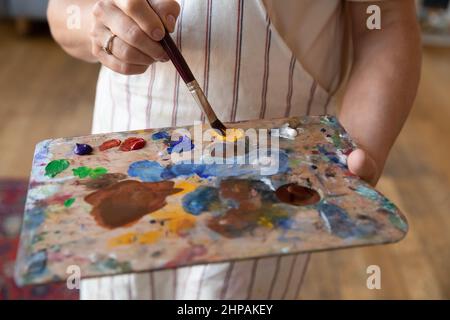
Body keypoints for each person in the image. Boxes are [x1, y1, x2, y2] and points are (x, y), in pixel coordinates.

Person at [47, 0, 421, 299]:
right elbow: (63, 12)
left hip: (275, 182)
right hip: (128, 157)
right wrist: (101, 28)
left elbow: (384, 21)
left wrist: (358, 148)